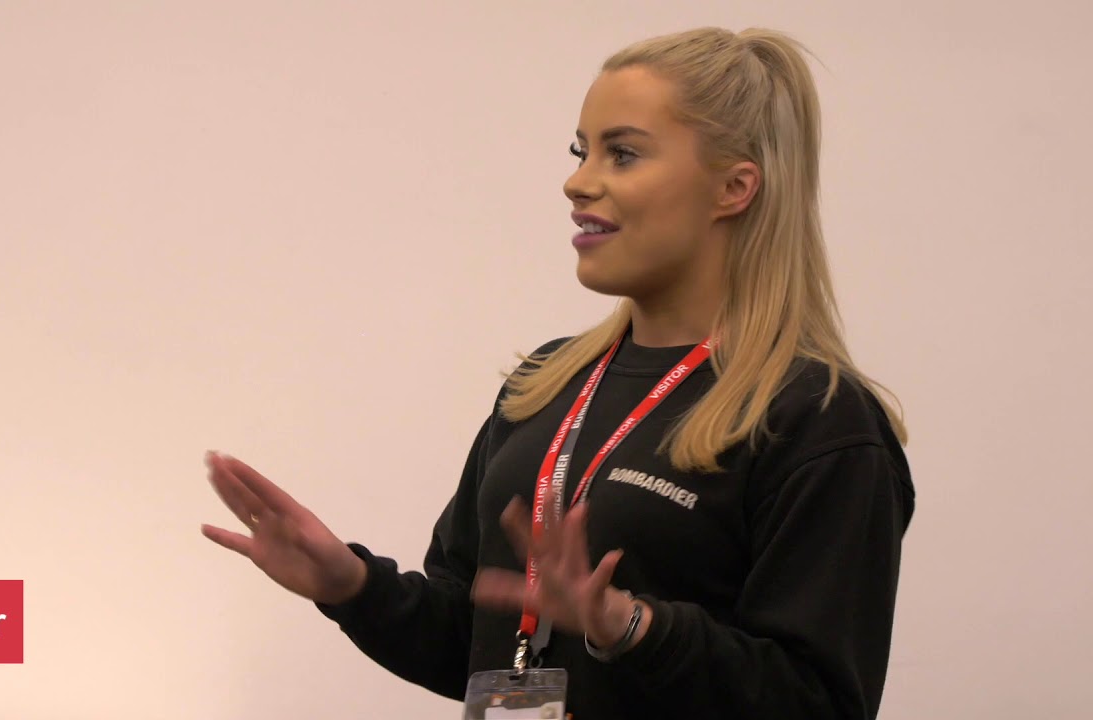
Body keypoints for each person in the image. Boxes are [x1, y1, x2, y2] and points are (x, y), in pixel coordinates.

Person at [201, 25, 915, 720]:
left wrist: (627, 626)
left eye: (622, 155)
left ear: (733, 187)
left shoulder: (817, 422)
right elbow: (477, 642)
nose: (577, 182)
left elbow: (819, 700)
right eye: (581, 152)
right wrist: (353, 586)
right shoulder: (545, 383)